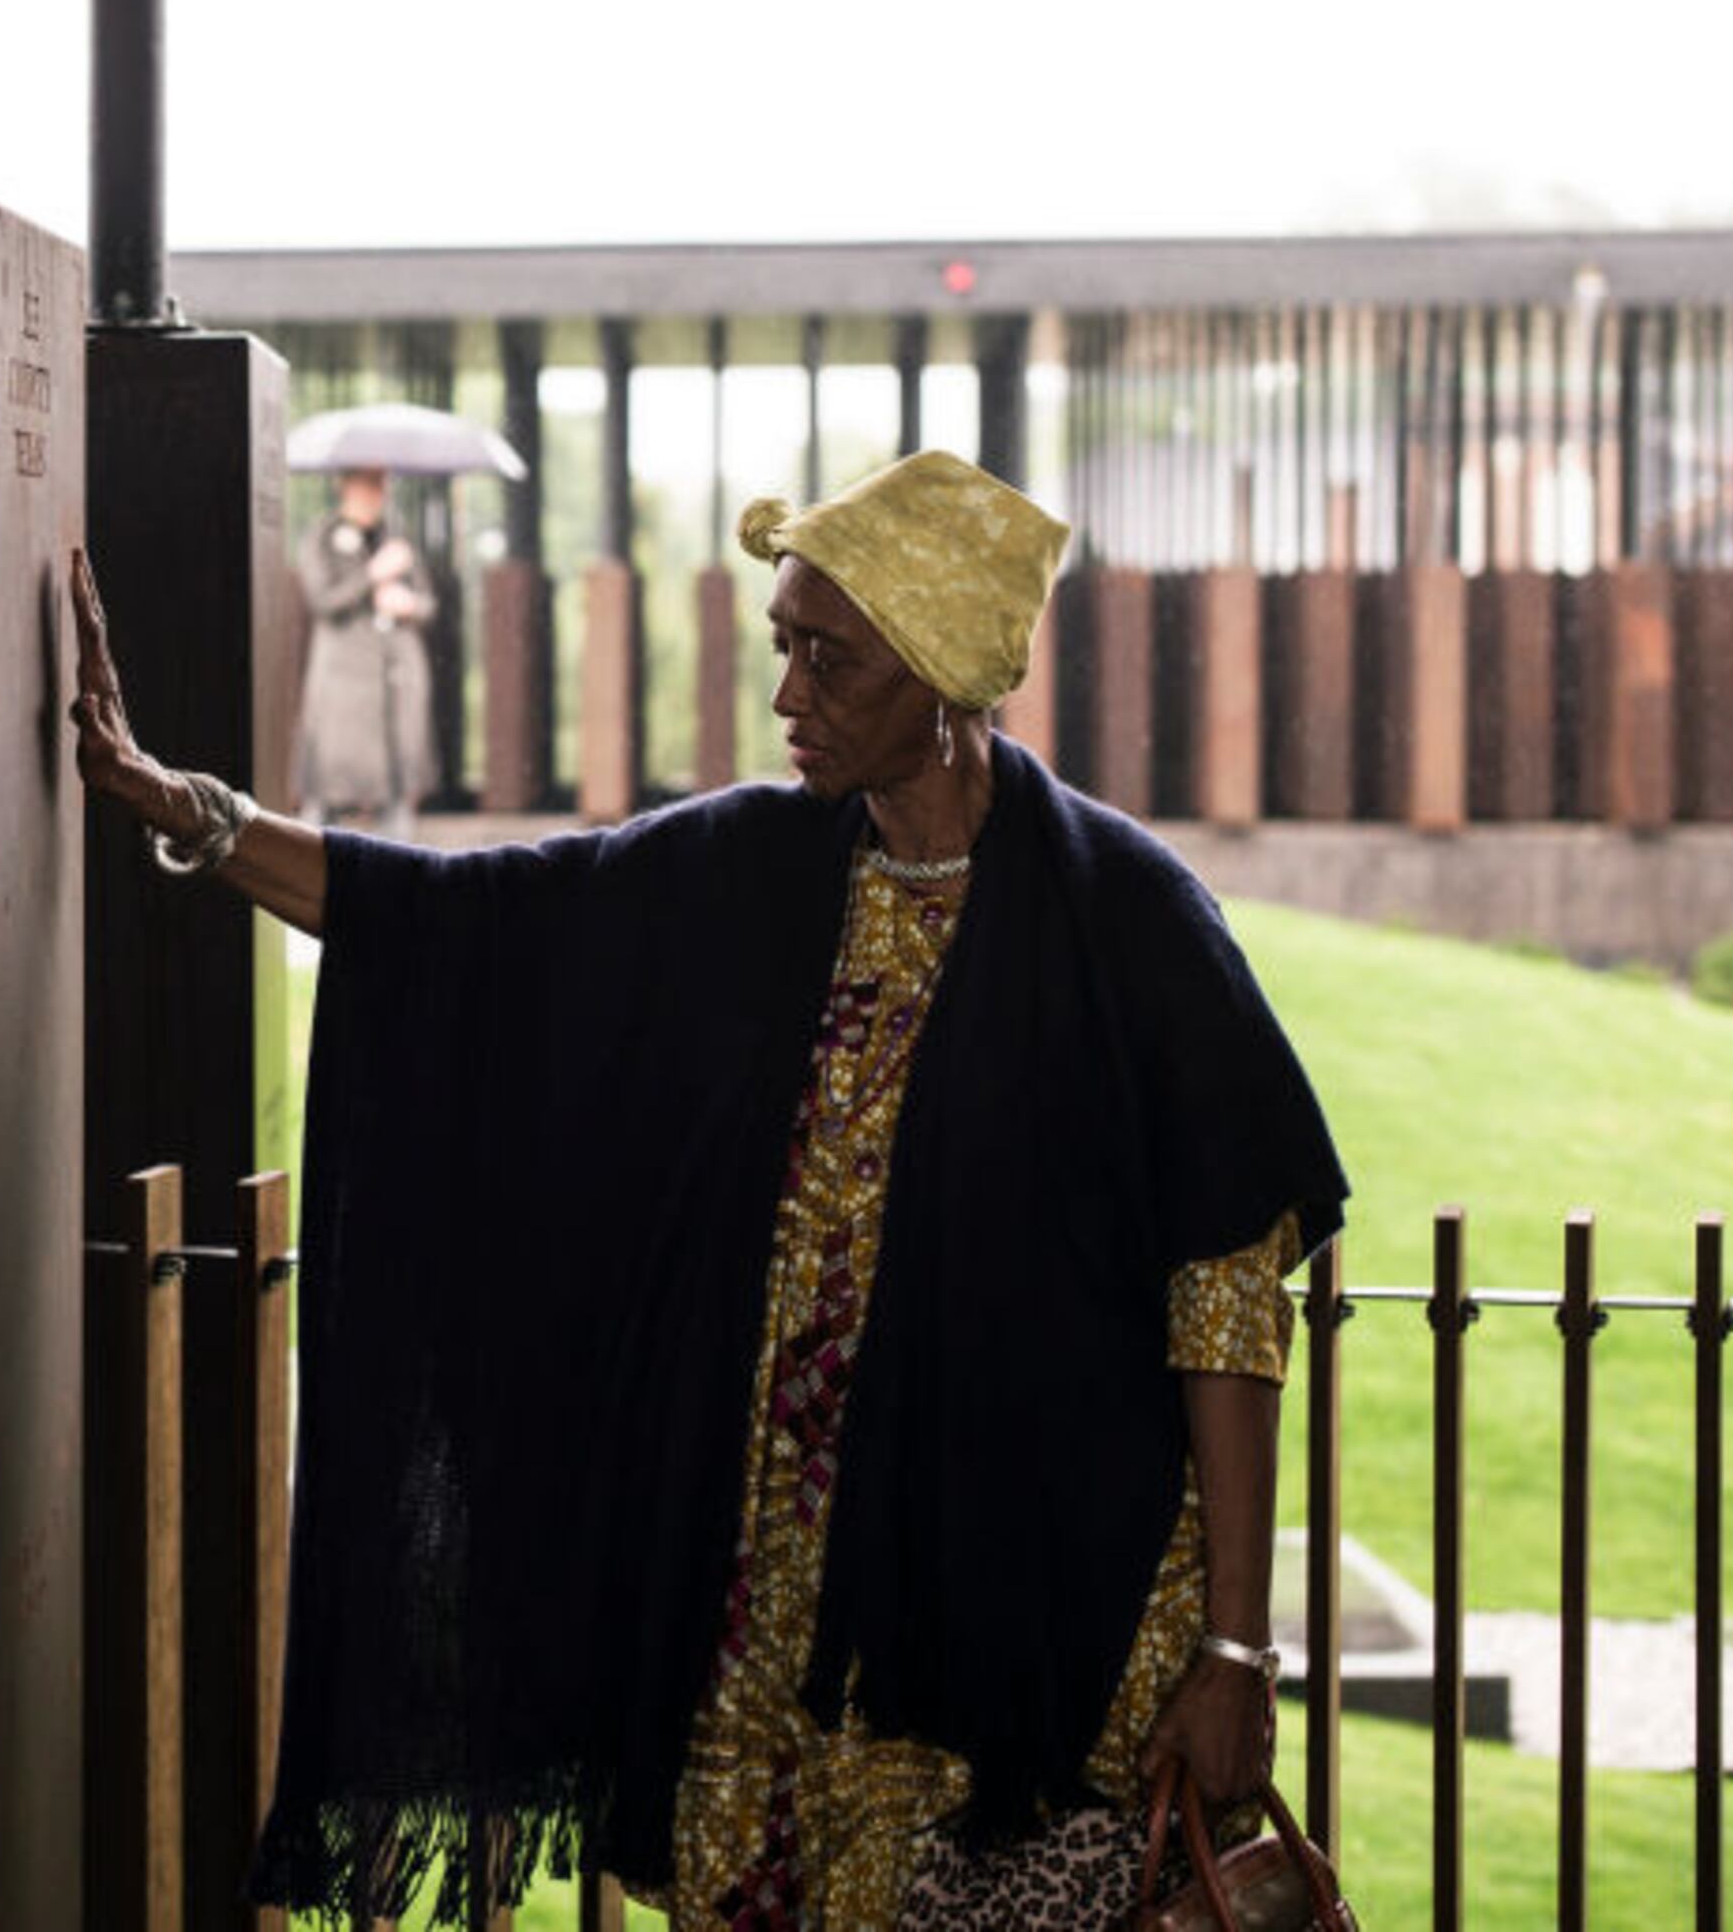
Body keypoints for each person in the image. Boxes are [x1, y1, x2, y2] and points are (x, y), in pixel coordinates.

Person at [69, 450, 1347, 1930]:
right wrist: (191, 809)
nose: (790, 694)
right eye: (782, 647)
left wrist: (1238, 1651)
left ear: (939, 675)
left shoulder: (1124, 923)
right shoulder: (753, 871)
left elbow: (1230, 1287)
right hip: (764, 1651)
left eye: (830, 656)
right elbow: (471, 927)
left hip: (1031, 1651)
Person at [295, 466, 441, 837]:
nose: (376, 491)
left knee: (398, 780)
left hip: (397, 673)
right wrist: (372, 575)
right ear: (344, 484)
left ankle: (401, 865)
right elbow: (323, 600)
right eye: (367, 481)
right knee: (328, 781)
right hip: (345, 678)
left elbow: (427, 603)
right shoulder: (322, 537)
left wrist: (408, 603)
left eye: (381, 482)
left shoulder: (396, 535)